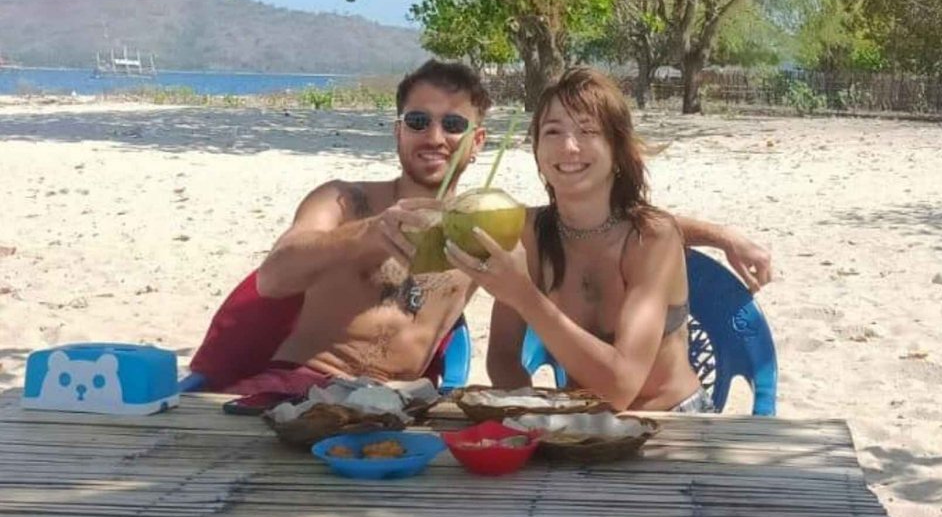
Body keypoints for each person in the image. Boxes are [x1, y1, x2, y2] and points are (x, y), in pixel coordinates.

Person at [226, 59, 770, 398]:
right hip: (308, 391)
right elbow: (273, 277)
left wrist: (724, 236)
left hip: (410, 410)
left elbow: (633, 225)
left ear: (479, 141)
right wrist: (367, 235)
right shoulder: (349, 201)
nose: (434, 136)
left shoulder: (498, 231)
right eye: (418, 121)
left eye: (453, 124)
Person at [446, 67, 714, 412]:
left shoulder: (651, 238)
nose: (569, 147)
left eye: (588, 131)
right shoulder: (531, 232)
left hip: (673, 421)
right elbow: (502, 355)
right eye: (553, 131)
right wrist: (528, 410)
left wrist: (524, 295)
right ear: (538, 152)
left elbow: (620, 389)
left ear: (617, 149)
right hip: (580, 425)